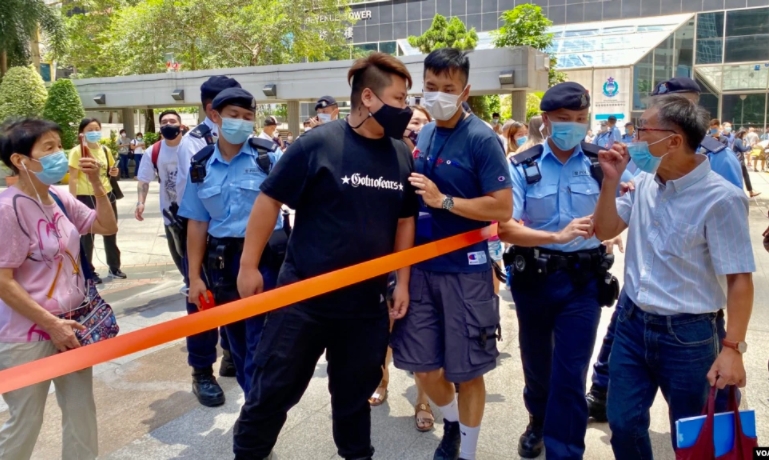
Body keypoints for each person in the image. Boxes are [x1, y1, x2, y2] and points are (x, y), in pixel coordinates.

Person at [233, 52, 418, 460]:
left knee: (354, 404)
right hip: (303, 302)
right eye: (400, 99)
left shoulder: (400, 153)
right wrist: (248, 265)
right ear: (368, 98)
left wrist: (401, 281)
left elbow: (405, 220)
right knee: (271, 395)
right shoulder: (318, 143)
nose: (406, 108)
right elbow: (268, 200)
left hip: (366, 307)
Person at [593, 94, 755, 459]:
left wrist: (733, 349)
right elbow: (604, 230)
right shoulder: (645, 182)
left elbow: (740, 279)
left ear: (673, 141)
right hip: (633, 325)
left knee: (694, 434)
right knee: (623, 422)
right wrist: (610, 181)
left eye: (641, 129)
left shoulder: (721, 199)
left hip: (689, 335)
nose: (633, 139)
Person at [390, 48, 513, 460]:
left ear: (465, 91)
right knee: (422, 366)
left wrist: (444, 201)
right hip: (423, 269)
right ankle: (454, 425)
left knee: (469, 370)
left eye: (448, 88)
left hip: (466, 270)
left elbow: (502, 207)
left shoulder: (481, 139)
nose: (438, 95)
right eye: (431, 86)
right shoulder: (423, 133)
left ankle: (467, 451)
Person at [497, 82, 623, 459]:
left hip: (582, 282)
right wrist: (555, 235)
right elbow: (506, 228)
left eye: (581, 120)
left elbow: (609, 223)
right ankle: (538, 418)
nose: (574, 126)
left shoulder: (600, 164)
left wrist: (615, 184)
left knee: (570, 375)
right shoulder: (522, 163)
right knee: (537, 366)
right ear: (547, 120)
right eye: (565, 119)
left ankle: (564, 450)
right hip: (534, 279)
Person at [0, 118, 118, 460]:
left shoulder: (59, 198)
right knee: (25, 420)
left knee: (82, 415)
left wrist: (97, 184)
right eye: (48, 148)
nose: (58, 154)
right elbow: (3, 282)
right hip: (26, 336)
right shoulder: (8, 210)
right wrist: (51, 325)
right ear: (20, 161)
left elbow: (105, 225)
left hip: (75, 326)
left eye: (58, 145)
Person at [179, 87, 284, 397]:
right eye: (233, 116)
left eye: (247, 117)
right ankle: (253, 402)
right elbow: (197, 224)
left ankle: (258, 409)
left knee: (262, 340)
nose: (241, 122)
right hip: (224, 262)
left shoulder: (268, 157)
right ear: (215, 116)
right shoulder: (201, 166)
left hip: (266, 259)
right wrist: (195, 277)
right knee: (237, 340)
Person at [174, 75, 241, 403]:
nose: (239, 115)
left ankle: (231, 356)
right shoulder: (195, 142)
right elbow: (197, 208)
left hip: (238, 242)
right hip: (203, 236)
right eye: (231, 108)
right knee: (202, 305)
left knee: (236, 302)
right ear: (212, 109)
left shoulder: (250, 142)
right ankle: (202, 371)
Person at [369, 105, 434, 433]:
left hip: (426, 261)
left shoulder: (433, 165)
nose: (413, 127)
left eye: (420, 122)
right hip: (384, 259)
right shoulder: (385, 160)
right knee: (385, 331)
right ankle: (382, 382)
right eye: (409, 122)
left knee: (421, 336)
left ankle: (422, 400)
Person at [67, 118, 125, 282]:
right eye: (90, 129)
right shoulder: (78, 151)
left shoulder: (105, 150)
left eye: (96, 129)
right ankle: (89, 271)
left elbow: (111, 170)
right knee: (87, 236)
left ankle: (114, 267)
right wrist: (72, 202)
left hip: (106, 194)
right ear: (82, 132)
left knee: (111, 231)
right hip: (85, 196)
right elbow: (72, 178)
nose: (94, 132)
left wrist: (114, 173)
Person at [135, 110, 186, 275]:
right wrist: (140, 202)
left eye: (172, 121)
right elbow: (144, 180)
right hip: (171, 214)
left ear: (181, 126)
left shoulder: (193, 146)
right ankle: (189, 283)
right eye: (164, 122)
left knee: (198, 257)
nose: (168, 124)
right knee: (179, 255)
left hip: (197, 213)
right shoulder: (153, 151)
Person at [733, 129, 761, 198]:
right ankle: (749, 192)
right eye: (745, 134)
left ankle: (750, 191)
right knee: (745, 176)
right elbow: (743, 149)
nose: (745, 136)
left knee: (745, 175)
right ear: (742, 134)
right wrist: (750, 146)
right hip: (739, 160)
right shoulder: (738, 140)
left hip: (739, 160)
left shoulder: (737, 140)